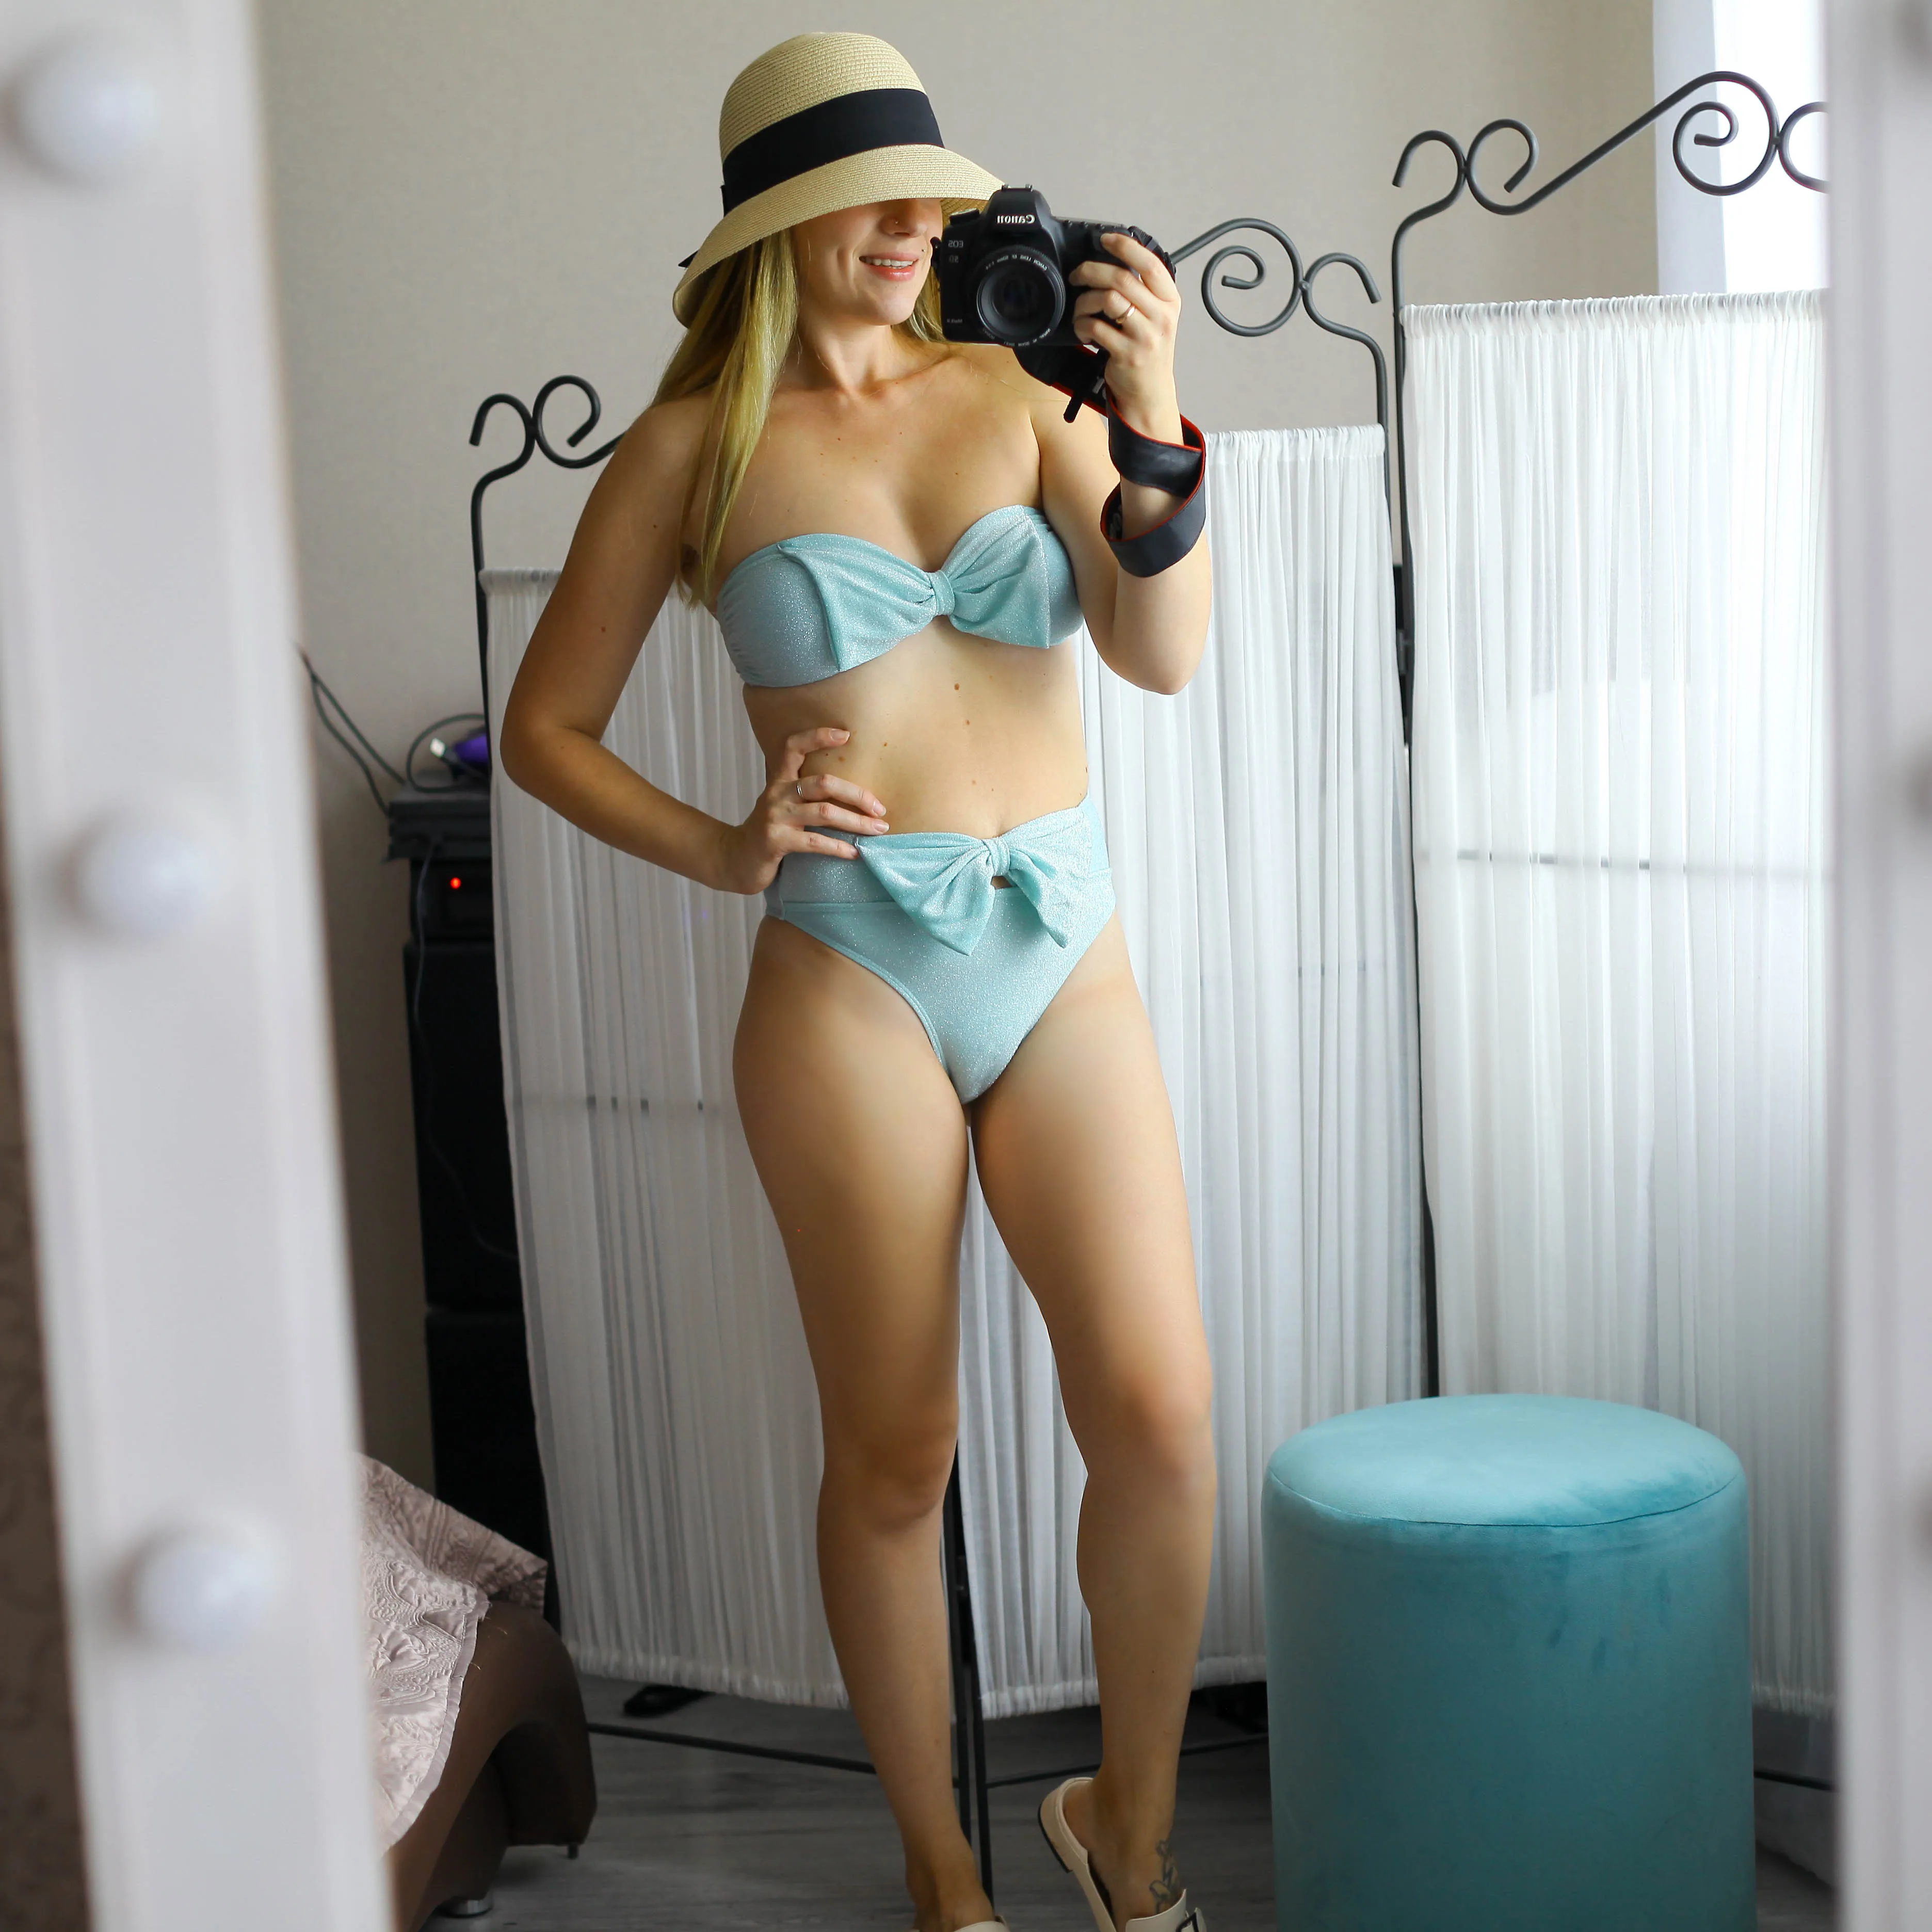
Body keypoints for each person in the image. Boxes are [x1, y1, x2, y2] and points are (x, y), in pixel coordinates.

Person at [499, 32, 1215, 1932]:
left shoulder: (1021, 383)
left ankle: (1129, 1841)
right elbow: (543, 731)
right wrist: (727, 847)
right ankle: (941, 1873)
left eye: (928, 197)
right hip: (850, 978)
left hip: (1060, 948)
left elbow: (1158, 656)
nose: (912, 230)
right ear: (774, 224)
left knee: (1160, 1416)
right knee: (898, 1456)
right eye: (865, 203)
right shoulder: (694, 451)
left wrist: (1154, 418)